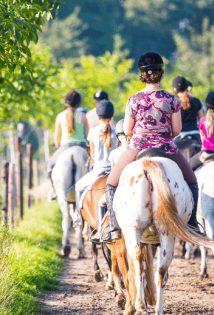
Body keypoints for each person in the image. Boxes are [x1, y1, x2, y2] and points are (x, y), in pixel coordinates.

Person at [103, 52, 202, 243]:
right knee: (192, 182)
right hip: (166, 147)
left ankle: (113, 227)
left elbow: (129, 130)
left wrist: (143, 135)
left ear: (142, 75)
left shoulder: (133, 99)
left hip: (137, 147)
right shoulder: (171, 99)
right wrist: (162, 135)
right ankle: (192, 224)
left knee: (110, 183)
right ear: (161, 73)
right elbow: (177, 130)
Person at [74, 100, 117, 241]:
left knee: (78, 188)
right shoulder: (117, 131)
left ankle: (78, 221)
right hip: (115, 172)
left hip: (98, 171)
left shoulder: (93, 132)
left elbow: (92, 157)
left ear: (98, 116)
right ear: (112, 115)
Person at [46, 90, 88, 202]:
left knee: (50, 166)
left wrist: (58, 146)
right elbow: (88, 136)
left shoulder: (60, 116)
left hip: (65, 146)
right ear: (78, 103)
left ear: (66, 102)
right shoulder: (83, 116)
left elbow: (56, 138)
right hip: (82, 145)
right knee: (92, 167)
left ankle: (54, 190)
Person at [172, 76, 205, 142]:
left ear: (175, 90)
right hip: (196, 133)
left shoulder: (174, 103)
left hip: (180, 135)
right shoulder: (196, 101)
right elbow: (202, 121)